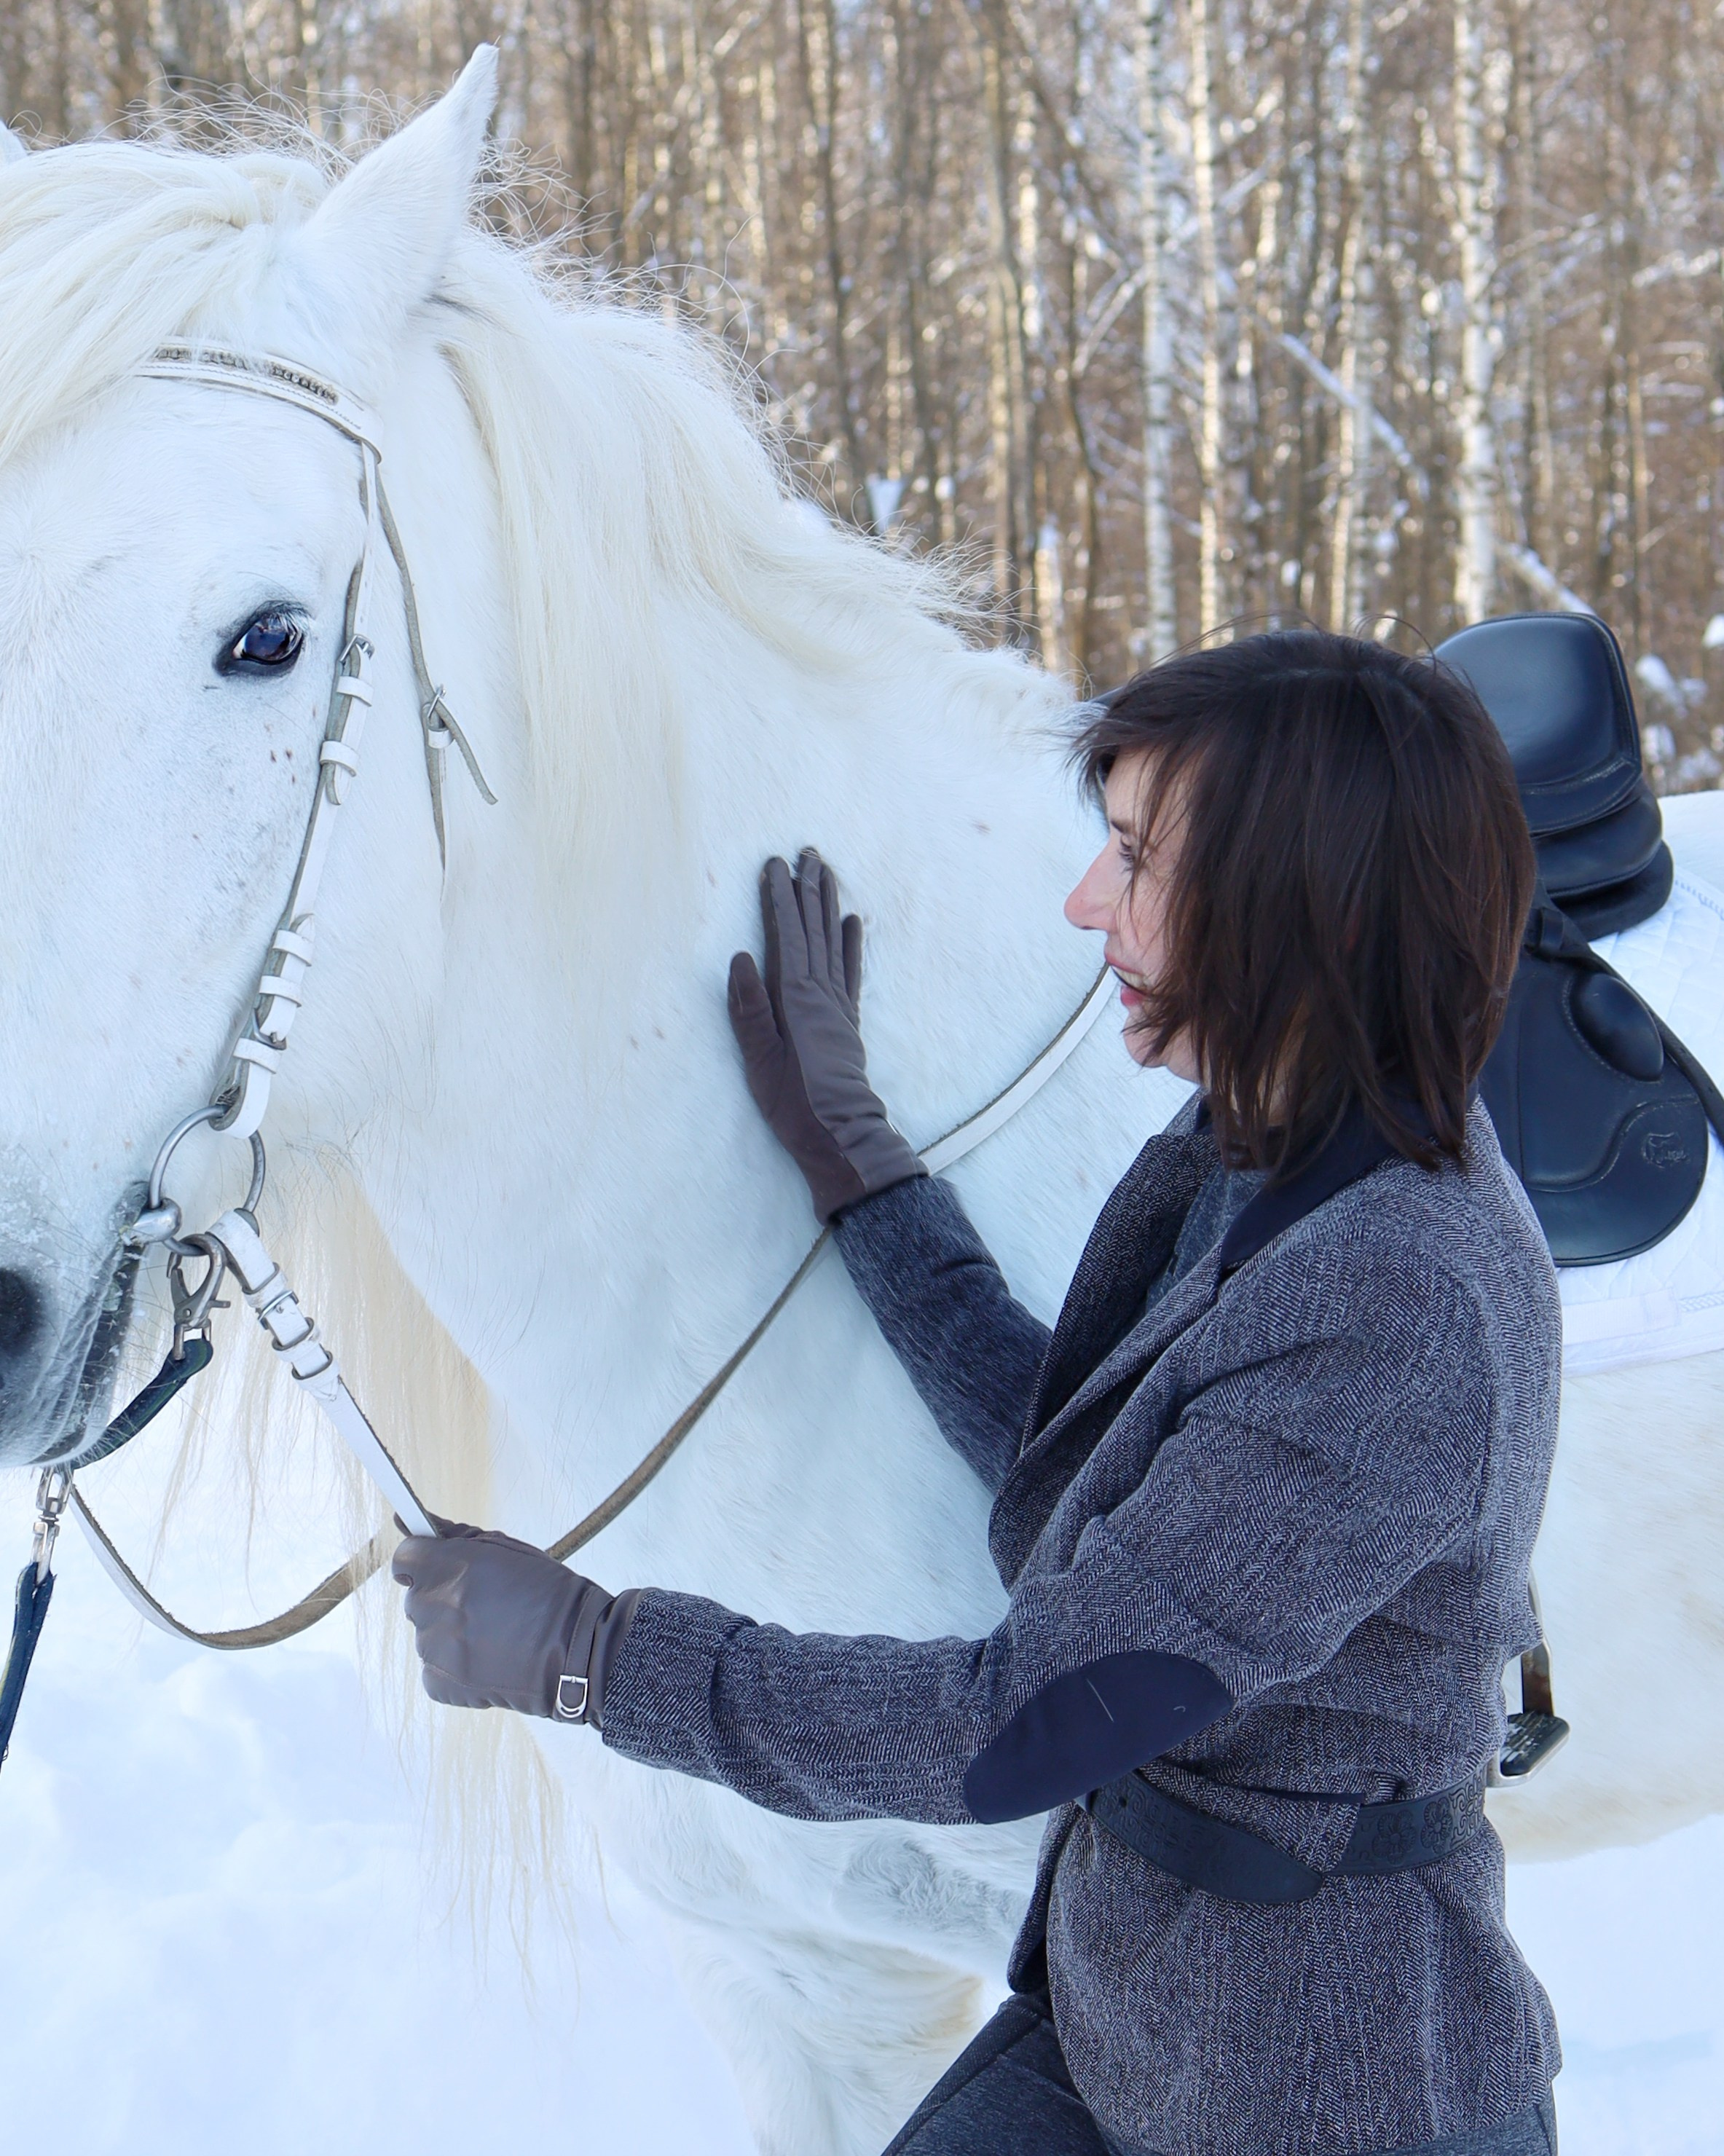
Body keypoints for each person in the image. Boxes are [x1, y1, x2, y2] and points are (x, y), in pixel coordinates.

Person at [392, 629, 1562, 2156]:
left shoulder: (1395, 1305)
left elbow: (1015, 1722)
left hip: (1322, 2088)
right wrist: (860, 1168)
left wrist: (597, 1659)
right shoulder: (1263, 1152)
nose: (1089, 902)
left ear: (1307, 904)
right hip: (1138, 2013)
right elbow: (1083, 1472)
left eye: (1136, 859)